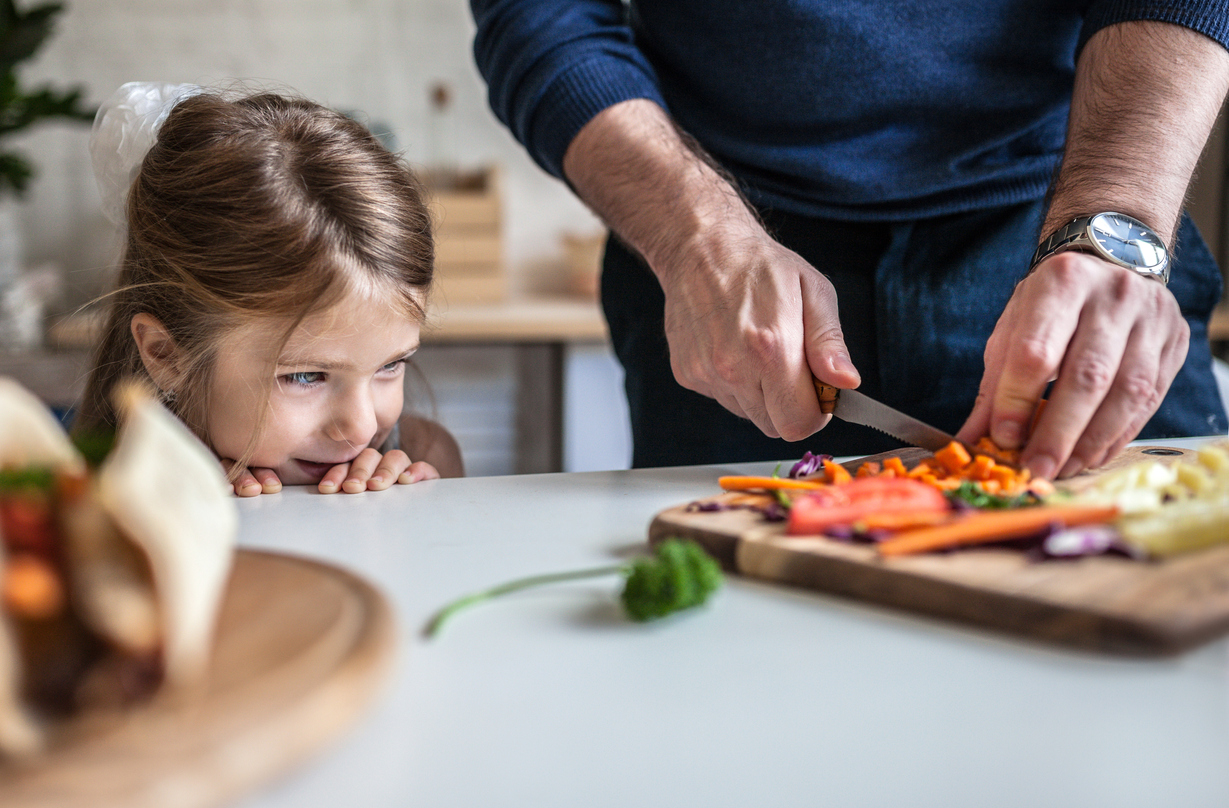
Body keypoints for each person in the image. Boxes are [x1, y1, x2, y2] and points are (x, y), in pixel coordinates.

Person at [470, 2, 1229, 479]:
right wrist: (698, 236)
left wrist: (1113, 227)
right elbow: (543, 15)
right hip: (732, 268)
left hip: (1069, 228)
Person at [77, 83, 463, 497]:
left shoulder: (428, 456)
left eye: (391, 365)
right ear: (166, 355)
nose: (362, 426)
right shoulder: (95, 500)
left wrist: (423, 515)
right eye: (305, 376)